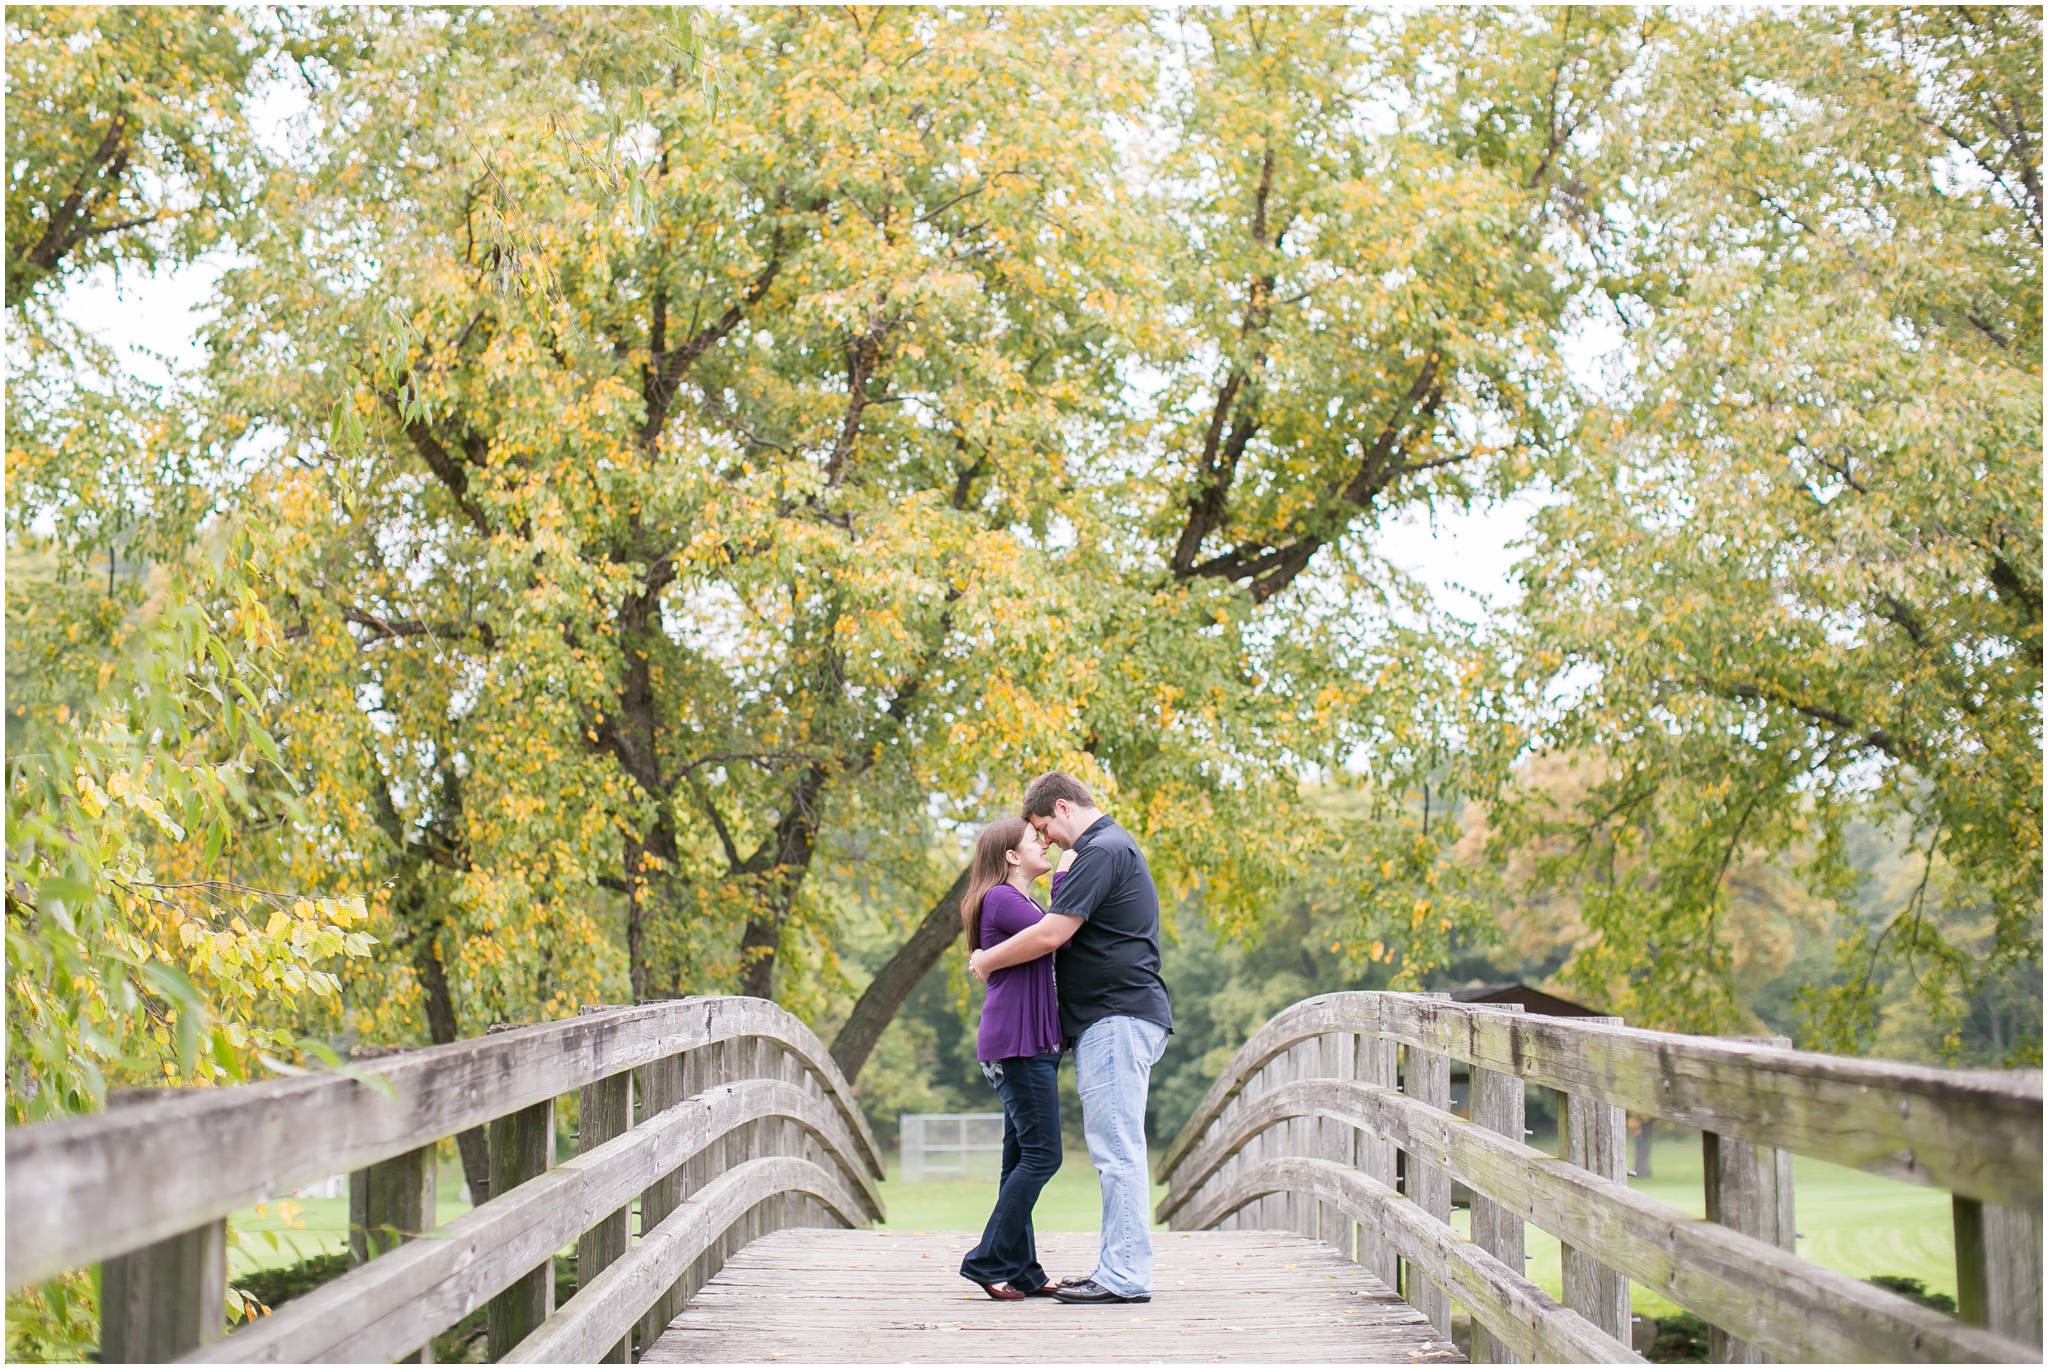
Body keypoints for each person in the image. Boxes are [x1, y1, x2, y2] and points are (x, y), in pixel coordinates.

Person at [969, 773, 1171, 1306]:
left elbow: (1053, 933)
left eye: (1043, 828)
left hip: (1115, 1016)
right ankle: (1111, 1270)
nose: (1047, 840)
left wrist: (986, 959)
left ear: (1061, 807)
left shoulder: (1101, 849)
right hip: (1114, 1018)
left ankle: (1123, 1277)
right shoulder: (1107, 849)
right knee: (1111, 1149)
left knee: (1116, 1151)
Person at [956, 817, 1066, 1301]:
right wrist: (1070, 873)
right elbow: (1057, 934)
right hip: (1017, 1045)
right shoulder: (1003, 898)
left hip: (1024, 1044)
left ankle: (1024, 1272)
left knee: (1019, 1158)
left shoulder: (1019, 901)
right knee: (1044, 1154)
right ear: (1011, 857)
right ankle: (986, 1260)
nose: (1044, 842)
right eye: (1033, 839)